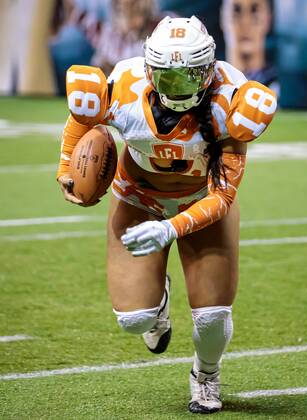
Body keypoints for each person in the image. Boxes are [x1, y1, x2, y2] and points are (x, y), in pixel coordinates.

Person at [57, 16, 276, 414]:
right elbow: (82, 118)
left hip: (201, 201)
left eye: (189, 76)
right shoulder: (124, 87)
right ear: (149, 69)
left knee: (211, 317)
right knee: (134, 320)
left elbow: (223, 195)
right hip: (138, 198)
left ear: (209, 69)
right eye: (168, 77)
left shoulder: (233, 100)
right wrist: (66, 167)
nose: (179, 87)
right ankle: (157, 306)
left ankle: (206, 375)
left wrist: (170, 228)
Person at [220, 0, 279, 96]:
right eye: (236, 13)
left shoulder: (284, 86)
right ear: (222, 18)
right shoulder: (211, 83)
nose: (245, 24)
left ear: (268, 19)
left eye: (255, 14)